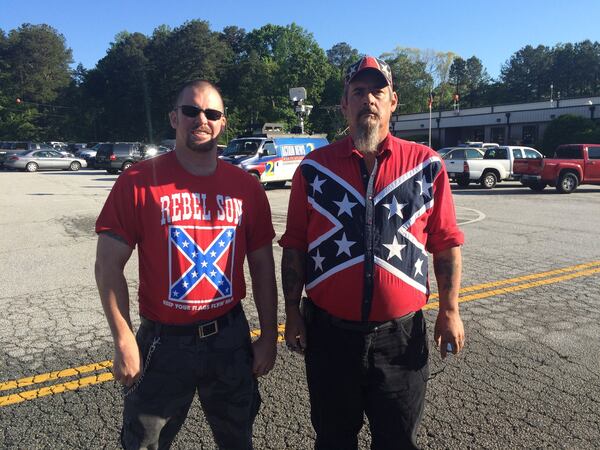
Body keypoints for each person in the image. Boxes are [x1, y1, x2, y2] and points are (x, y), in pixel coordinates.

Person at [279, 56, 465, 450]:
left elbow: (445, 242)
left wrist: (450, 311)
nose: (368, 100)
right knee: (333, 439)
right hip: (329, 337)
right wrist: (291, 312)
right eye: (358, 93)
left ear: (393, 101)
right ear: (344, 105)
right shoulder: (313, 169)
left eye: (377, 91)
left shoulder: (426, 165)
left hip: (400, 337)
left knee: (397, 440)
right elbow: (294, 244)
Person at [95, 80, 278, 450]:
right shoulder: (138, 182)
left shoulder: (246, 188)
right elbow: (107, 266)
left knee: (237, 438)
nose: (202, 119)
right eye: (192, 111)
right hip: (163, 342)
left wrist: (269, 336)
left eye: (212, 113)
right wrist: (123, 338)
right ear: (174, 117)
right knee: (144, 442)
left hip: (229, 338)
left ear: (222, 123)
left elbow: (262, 267)